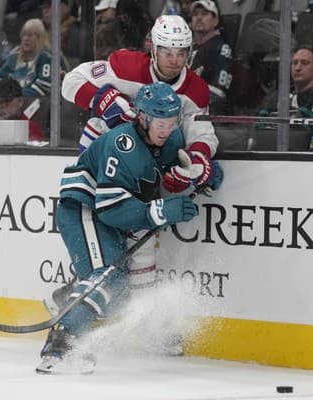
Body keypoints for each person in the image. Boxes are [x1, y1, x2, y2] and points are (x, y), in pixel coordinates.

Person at [36, 82, 211, 374]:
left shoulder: (169, 139)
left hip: (107, 214)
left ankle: (66, 298)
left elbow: (173, 167)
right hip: (85, 208)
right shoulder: (123, 144)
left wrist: (204, 172)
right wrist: (161, 210)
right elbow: (110, 209)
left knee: (116, 292)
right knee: (107, 278)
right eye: (160, 122)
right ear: (142, 117)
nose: (166, 129)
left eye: (171, 121)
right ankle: (61, 343)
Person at [61, 14, 218, 193]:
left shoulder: (196, 90)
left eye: (181, 53)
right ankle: (86, 179)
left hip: (158, 166)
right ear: (154, 50)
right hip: (114, 158)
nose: (175, 61)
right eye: (168, 53)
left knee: (175, 136)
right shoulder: (127, 67)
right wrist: (105, 101)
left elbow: (202, 134)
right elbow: (71, 81)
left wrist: (194, 163)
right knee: (99, 124)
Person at [0, 18, 55, 97]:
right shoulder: (13, 57)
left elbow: (45, 87)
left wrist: (14, 96)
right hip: (9, 102)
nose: (26, 39)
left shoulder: (47, 58)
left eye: (30, 36)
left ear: (40, 38)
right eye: (24, 35)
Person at [187, 0, 232, 104]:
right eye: (195, 14)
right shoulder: (187, 47)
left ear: (215, 20)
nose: (198, 17)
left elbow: (218, 92)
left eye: (204, 14)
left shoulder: (221, 48)